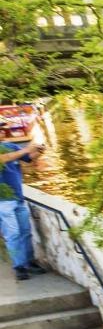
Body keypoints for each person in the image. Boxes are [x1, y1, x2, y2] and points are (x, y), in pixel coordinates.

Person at [1, 118, 42, 282]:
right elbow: (4, 159)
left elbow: (30, 159)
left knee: (25, 232)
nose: (2, 131)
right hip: (2, 201)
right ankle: (19, 266)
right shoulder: (10, 151)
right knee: (13, 234)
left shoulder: (11, 146)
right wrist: (26, 149)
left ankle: (30, 261)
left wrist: (38, 150)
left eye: (3, 129)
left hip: (18, 197)